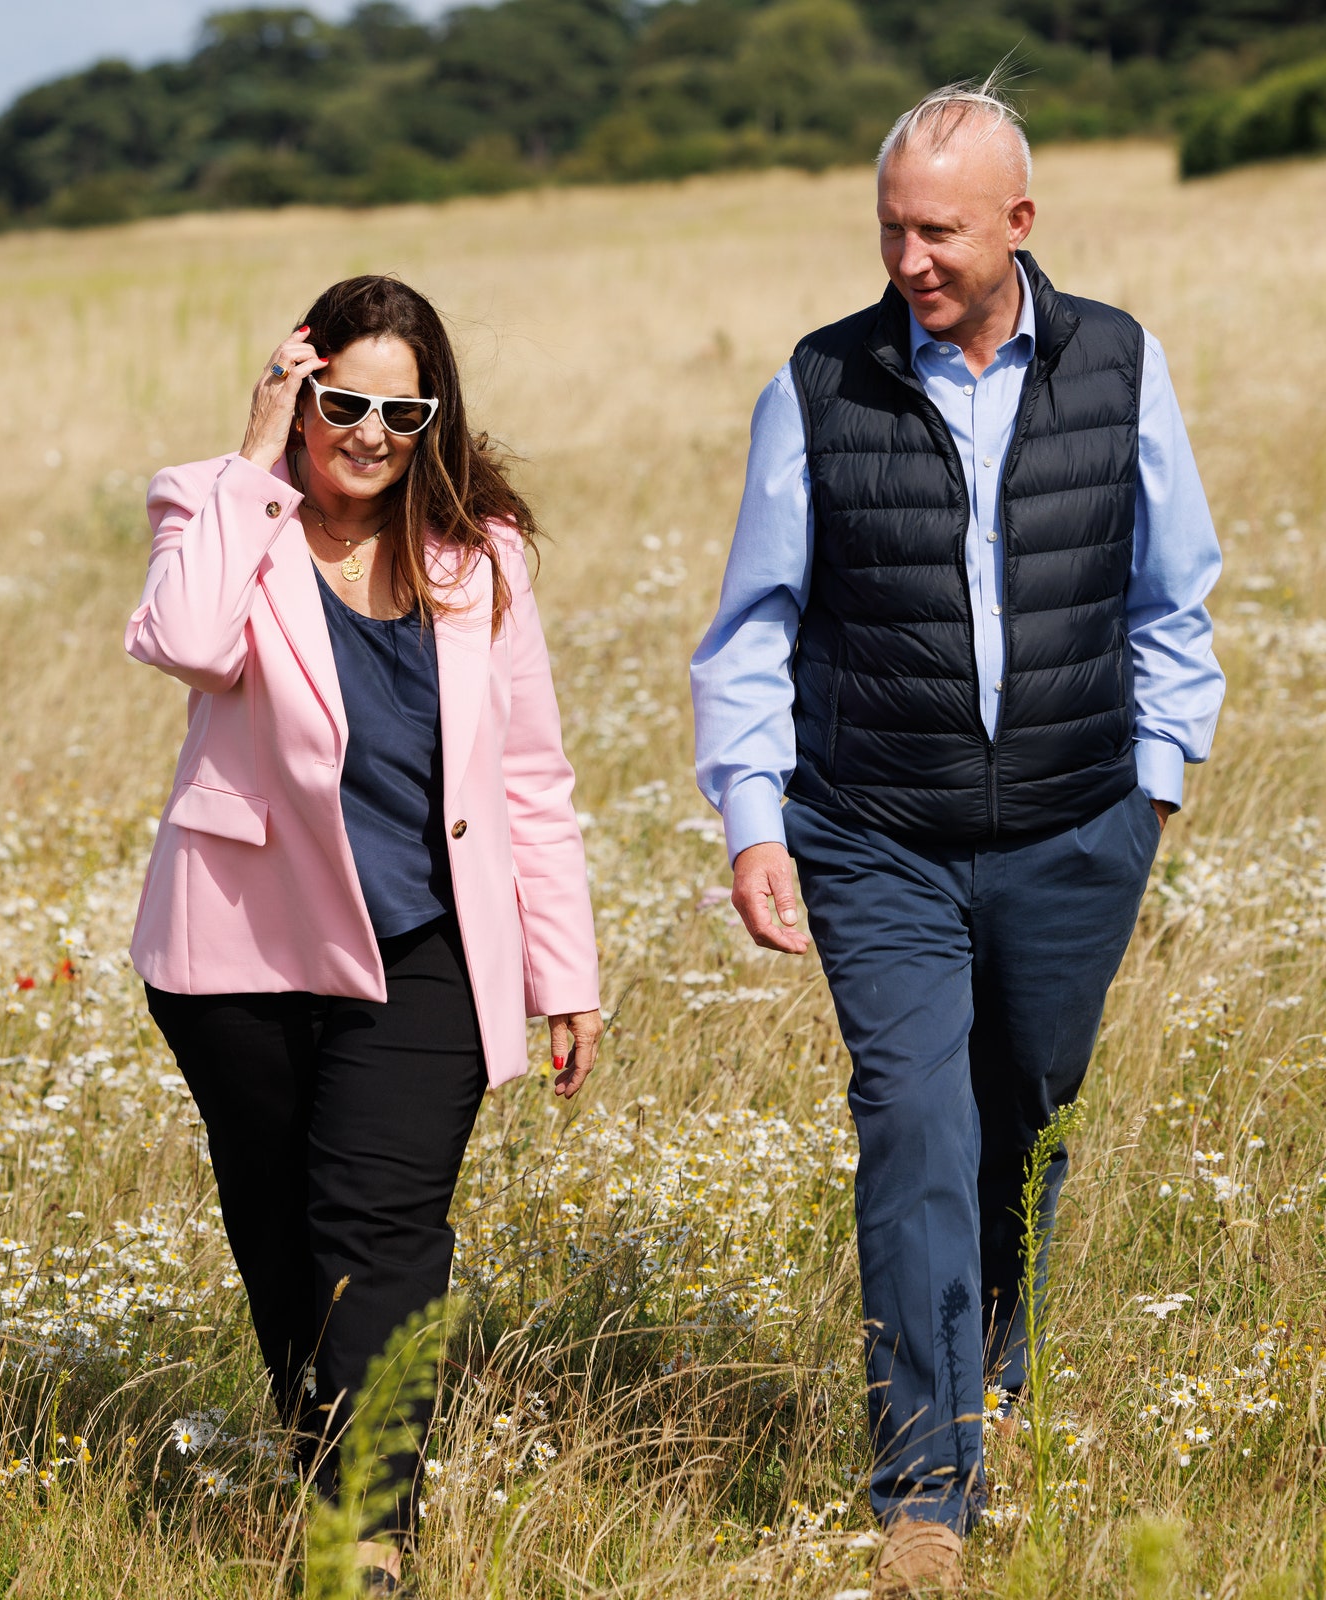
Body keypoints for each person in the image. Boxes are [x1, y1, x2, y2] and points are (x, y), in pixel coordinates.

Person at [690, 82, 1222, 1595]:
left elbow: (1173, 596)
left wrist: (1156, 785)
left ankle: (997, 1367)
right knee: (915, 1121)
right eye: (890, 230)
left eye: (938, 231)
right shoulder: (819, 384)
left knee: (1025, 1121)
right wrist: (753, 818)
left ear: (1018, 226)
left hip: (1075, 828)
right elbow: (753, 626)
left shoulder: (1119, 363)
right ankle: (926, 1484)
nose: (909, 258)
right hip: (876, 837)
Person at [126, 275, 602, 1592]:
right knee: (284, 1245)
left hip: (430, 949)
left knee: (380, 1236)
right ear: (303, 388)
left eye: (406, 408)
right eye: (346, 402)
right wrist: (253, 451)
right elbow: (182, 637)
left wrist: (564, 971)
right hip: (241, 954)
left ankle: (365, 1537)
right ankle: (332, 1476)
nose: (375, 432)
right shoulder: (223, 509)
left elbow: (531, 781)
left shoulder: (478, 552)